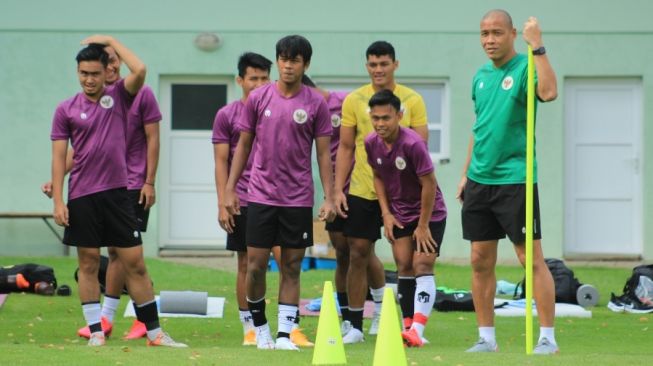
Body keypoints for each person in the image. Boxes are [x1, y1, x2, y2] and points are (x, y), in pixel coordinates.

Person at [50, 36, 185, 347]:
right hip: (82, 196)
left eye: (94, 73)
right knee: (87, 263)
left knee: (134, 262)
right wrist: (58, 199)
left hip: (117, 195)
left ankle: (155, 333)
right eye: (83, 73)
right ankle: (96, 331)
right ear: (77, 72)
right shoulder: (65, 109)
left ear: (106, 71)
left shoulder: (119, 96)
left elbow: (140, 69)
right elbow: (59, 157)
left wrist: (111, 41)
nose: (89, 79)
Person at [223, 35, 336, 351]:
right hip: (259, 196)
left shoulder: (315, 104)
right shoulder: (259, 98)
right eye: (284, 59)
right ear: (278, 62)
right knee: (256, 265)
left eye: (295, 60)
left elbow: (324, 154)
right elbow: (243, 145)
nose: (288, 65)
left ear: (305, 64)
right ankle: (260, 330)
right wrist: (231, 190)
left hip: (298, 198)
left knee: (291, 266)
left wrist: (329, 196)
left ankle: (285, 334)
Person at [457, 10, 558, 354]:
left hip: (516, 179)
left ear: (513, 34)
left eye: (497, 33)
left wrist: (539, 46)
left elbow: (549, 92)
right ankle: (486, 338)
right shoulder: (480, 76)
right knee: (479, 259)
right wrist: (465, 174)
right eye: (484, 33)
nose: (489, 40)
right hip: (479, 181)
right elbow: (479, 127)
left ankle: (547, 337)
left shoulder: (527, 65)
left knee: (530, 258)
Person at [334, 41, 429, 343]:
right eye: (373, 65)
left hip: (403, 196)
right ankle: (355, 326)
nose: (378, 70)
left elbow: (421, 151)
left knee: (407, 261)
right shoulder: (353, 100)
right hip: (364, 188)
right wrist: (338, 189)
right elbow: (347, 147)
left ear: (395, 65)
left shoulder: (412, 100)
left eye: (384, 64)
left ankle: (411, 326)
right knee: (357, 253)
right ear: (367, 67)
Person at [213, 52, 308, 347]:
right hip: (243, 199)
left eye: (263, 77)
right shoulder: (227, 115)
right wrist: (223, 200)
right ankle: (251, 328)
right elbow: (221, 161)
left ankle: (288, 328)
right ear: (240, 80)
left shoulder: (280, 105)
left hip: (280, 197)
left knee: (286, 261)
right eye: (252, 78)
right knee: (248, 265)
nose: (258, 83)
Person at [364, 89, 447, 348]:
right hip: (399, 213)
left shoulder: (413, 144)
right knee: (404, 266)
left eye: (386, 118)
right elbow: (378, 176)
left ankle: (418, 331)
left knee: (422, 263)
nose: (380, 124)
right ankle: (408, 326)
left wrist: (423, 226)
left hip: (429, 212)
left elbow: (429, 185)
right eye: (375, 118)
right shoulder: (370, 142)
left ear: (399, 116)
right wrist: (386, 214)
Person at [299, 75, 354, 335]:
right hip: (334, 192)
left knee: (362, 252)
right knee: (342, 253)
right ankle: (346, 317)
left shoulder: (345, 102)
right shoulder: (306, 112)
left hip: (360, 189)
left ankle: (378, 309)